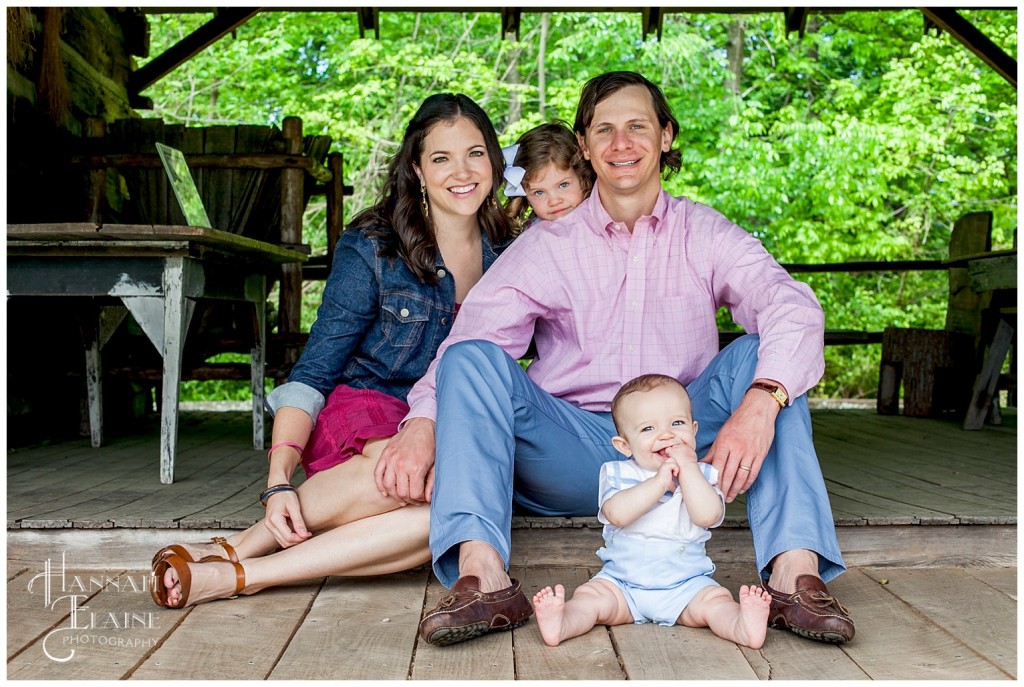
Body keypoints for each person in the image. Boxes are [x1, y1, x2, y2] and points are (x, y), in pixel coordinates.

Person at [383, 70, 855, 647]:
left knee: (765, 355)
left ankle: (793, 573)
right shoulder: (547, 245)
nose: (621, 143)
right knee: (471, 357)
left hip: (686, 450)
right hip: (576, 451)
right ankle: (483, 576)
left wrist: (763, 401)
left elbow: (793, 308)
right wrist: (423, 421)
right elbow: (473, 341)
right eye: (603, 129)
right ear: (584, 146)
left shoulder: (704, 232)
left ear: (665, 135)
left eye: (637, 126)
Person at [150, 92, 515, 608]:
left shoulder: (513, 253)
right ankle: (243, 545)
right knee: (407, 476)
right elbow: (317, 367)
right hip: (365, 408)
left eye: (476, 153)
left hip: (450, 423)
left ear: (495, 162)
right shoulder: (374, 243)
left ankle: (240, 568)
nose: (462, 171)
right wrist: (278, 480)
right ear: (416, 167)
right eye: (441, 157)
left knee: (447, 517)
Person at [532, 373, 771, 649]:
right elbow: (617, 514)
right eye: (648, 429)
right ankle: (561, 622)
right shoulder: (619, 473)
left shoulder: (703, 475)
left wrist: (689, 470)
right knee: (590, 599)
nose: (666, 434)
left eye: (677, 423)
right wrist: (659, 482)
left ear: (694, 430)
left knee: (716, 603)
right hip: (620, 584)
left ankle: (742, 626)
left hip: (687, 586)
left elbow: (708, 516)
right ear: (624, 445)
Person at [501, 121, 594, 226]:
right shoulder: (532, 236)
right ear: (526, 197)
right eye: (539, 192)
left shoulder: (602, 216)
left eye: (563, 185)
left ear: (583, 176)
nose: (554, 201)